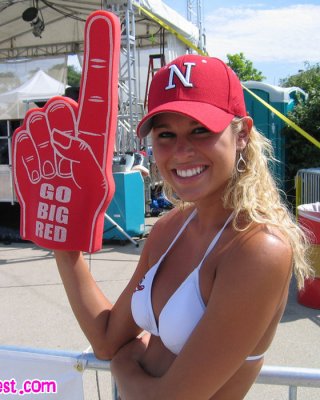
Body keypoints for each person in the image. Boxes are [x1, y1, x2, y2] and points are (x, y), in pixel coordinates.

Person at [54, 54, 312, 399]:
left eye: (200, 130)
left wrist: (125, 362)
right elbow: (106, 339)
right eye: (165, 134)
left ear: (242, 134)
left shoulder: (258, 249)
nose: (181, 151)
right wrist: (63, 246)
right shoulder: (169, 227)